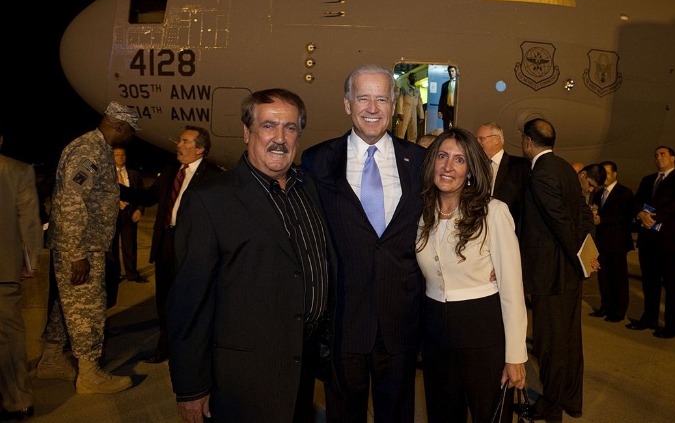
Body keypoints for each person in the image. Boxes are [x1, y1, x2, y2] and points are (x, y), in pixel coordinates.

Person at [167, 89, 336, 422]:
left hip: (302, 368)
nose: (280, 138)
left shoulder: (310, 189)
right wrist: (190, 387)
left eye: (290, 128)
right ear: (247, 132)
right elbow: (188, 303)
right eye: (268, 126)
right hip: (241, 380)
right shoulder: (210, 201)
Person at [301, 64, 426, 423]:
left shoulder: (418, 161)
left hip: (400, 322)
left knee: (397, 414)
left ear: (394, 105)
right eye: (363, 98)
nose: (372, 108)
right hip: (342, 322)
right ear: (347, 104)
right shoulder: (317, 160)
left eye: (382, 98)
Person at [415, 128, 528, 423]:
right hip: (436, 333)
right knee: (441, 414)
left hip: (483, 331)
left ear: (470, 170)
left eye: (459, 159)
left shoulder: (493, 212)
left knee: (488, 414)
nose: (448, 166)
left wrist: (515, 355)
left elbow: (512, 289)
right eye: (442, 156)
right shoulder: (421, 213)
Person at [37, 102, 138, 394]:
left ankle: (51, 359)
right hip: (80, 247)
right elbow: (71, 201)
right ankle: (89, 375)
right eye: (131, 129)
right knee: (87, 308)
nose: (131, 136)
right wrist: (78, 254)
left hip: (83, 243)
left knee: (65, 305)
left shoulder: (97, 148)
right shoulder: (89, 151)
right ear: (119, 125)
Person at [120, 125, 222, 364]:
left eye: (185, 142)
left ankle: (194, 350)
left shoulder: (213, 178)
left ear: (200, 150)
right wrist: (116, 189)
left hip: (193, 248)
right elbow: (147, 197)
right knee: (164, 300)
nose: (179, 145)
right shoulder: (170, 171)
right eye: (179, 140)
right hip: (166, 241)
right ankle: (164, 346)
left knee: (192, 300)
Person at [519, 118, 594, 421]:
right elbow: (584, 214)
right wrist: (589, 253)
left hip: (552, 275)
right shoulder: (565, 168)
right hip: (569, 272)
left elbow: (559, 223)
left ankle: (550, 407)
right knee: (569, 341)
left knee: (551, 344)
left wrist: (581, 256)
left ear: (527, 141)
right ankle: (571, 400)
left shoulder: (540, 174)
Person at [627, 146, 675, 339]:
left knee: (673, 286)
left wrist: (653, 218)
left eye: (662, 154)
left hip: (670, 242)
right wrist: (640, 214)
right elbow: (637, 200)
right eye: (656, 155)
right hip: (648, 241)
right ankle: (649, 318)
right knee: (650, 283)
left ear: (673, 157)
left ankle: (672, 326)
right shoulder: (648, 180)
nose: (658, 158)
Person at [0, 131, 42, 421]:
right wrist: (30, 262)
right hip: (4, 269)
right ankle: (18, 401)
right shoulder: (18, 170)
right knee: (10, 337)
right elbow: (28, 220)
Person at [591, 161, 635, 323]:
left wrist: (602, 219)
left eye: (608, 173)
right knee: (603, 277)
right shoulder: (598, 193)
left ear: (615, 174)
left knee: (618, 278)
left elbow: (625, 216)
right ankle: (605, 306)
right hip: (601, 242)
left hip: (617, 242)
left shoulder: (624, 193)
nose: (605, 177)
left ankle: (619, 310)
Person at [476, 121, 530, 236]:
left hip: (508, 231)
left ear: (496, 139)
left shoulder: (520, 166)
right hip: (479, 230)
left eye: (481, 139)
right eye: (477, 140)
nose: (477, 143)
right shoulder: (475, 167)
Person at [107, 147, 145, 292]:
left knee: (130, 246)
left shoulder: (134, 174)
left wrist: (139, 209)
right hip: (112, 215)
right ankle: (115, 274)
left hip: (129, 215)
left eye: (123, 155)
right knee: (112, 247)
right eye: (117, 155)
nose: (120, 157)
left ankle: (132, 274)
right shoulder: (107, 175)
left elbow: (142, 193)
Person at [395, 72, 424, 142]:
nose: (414, 78)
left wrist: (421, 115)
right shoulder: (404, 88)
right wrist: (400, 112)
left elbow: (419, 103)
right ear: (409, 78)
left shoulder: (417, 90)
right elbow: (400, 100)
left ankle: (412, 145)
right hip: (405, 110)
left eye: (415, 77)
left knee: (413, 129)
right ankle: (399, 145)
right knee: (402, 129)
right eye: (412, 77)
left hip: (414, 111)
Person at [437, 65, 457, 130]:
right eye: (449, 71)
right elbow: (442, 98)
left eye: (452, 71)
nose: (451, 73)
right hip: (446, 109)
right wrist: (440, 110)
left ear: (456, 71)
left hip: (455, 109)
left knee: (455, 127)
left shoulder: (459, 84)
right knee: (446, 128)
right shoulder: (445, 85)